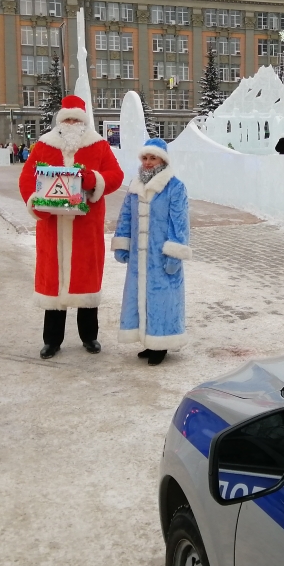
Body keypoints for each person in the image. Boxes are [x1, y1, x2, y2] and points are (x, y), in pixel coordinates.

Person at [18, 95, 124, 359]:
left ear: (84, 121)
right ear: (61, 121)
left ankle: (89, 336)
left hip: (85, 229)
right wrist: (36, 201)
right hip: (52, 228)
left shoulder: (98, 145)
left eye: (77, 118)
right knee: (54, 282)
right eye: (68, 119)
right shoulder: (44, 145)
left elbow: (116, 176)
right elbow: (26, 179)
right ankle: (52, 340)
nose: (72, 122)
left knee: (86, 280)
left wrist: (93, 180)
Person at [112, 138, 191, 366]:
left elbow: (180, 223)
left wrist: (174, 253)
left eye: (152, 158)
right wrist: (123, 243)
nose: (147, 162)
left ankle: (161, 344)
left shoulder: (175, 187)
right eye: (144, 158)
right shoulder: (135, 186)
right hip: (139, 258)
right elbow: (126, 216)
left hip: (161, 257)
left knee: (163, 301)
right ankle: (148, 339)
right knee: (140, 297)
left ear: (162, 160)